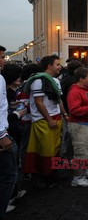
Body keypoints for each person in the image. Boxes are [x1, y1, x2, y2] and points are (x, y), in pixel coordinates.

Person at [23, 55, 67, 189]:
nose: (60, 67)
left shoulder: (56, 81)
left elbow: (58, 99)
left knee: (55, 148)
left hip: (56, 118)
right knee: (43, 150)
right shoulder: (38, 81)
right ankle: (40, 176)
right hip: (43, 120)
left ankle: (52, 173)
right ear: (49, 66)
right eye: (58, 64)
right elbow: (38, 102)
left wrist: (64, 114)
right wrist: (49, 119)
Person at [66, 67, 88, 187]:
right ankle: (77, 177)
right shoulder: (74, 92)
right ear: (81, 79)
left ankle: (86, 171)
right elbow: (74, 110)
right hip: (80, 126)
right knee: (81, 153)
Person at [0, 45, 18, 218]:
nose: (4, 60)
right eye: (1, 57)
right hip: (2, 134)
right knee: (9, 175)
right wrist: (2, 135)